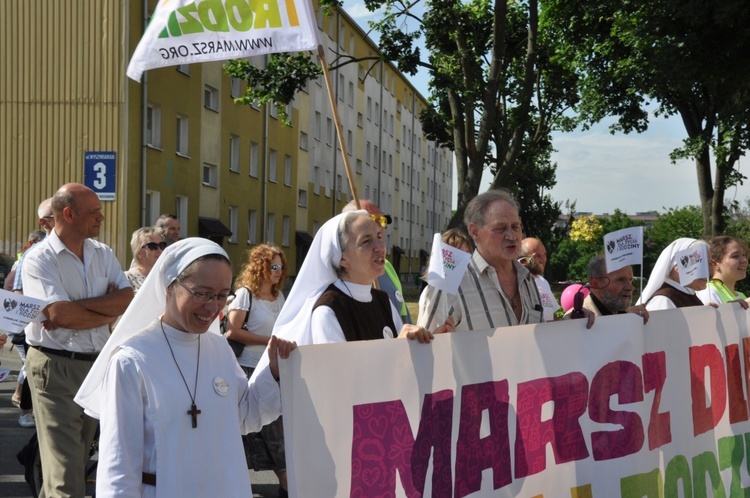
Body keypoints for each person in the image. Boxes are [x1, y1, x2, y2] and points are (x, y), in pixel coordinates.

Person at [75, 238, 296, 497]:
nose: (213, 307)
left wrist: (275, 372)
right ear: (170, 287)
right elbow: (118, 462)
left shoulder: (219, 349)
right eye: (202, 293)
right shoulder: (132, 360)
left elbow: (245, 415)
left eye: (222, 295)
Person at [22, 183, 134, 497]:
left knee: (73, 462)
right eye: (94, 212)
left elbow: (126, 299)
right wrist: (104, 310)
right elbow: (61, 316)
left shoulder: (103, 253)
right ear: (68, 214)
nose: (101, 218)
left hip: (96, 366)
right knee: (66, 475)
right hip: (54, 367)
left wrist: (77, 308)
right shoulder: (38, 260)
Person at [418, 189, 595, 332]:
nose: (511, 236)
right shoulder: (449, 284)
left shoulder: (528, 280)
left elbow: (536, 337)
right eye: (500, 228)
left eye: (515, 227)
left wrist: (573, 324)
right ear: (475, 232)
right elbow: (425, 351)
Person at [225, 244, 288, 496]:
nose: (278, 271)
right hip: (248, 367)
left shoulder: (279, 296)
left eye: (281, 267)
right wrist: (269, 341)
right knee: (257, 429)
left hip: (274, 368)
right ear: (261, 267)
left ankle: (285, 482)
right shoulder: (245, 294)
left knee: (277, 427)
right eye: (273, 266)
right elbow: (232, 331)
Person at [342, 199, 412, 324]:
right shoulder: (337, 277)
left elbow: (404, 321)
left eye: (381, 221)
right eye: (372, 219)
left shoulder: (387, 267)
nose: (378, 226)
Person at [6, 230, 46, 428]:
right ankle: (25, 408)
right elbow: (12, 289)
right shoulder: (27, 259)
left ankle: (21, 397)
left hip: (36, 324)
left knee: (29, 366)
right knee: (29, 366)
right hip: (27, 326)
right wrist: (13, 321)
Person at [565, 254, 649, 322]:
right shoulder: (576, 319)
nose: (631, 287)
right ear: (595, 284)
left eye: (630, 280)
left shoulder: (630, 315)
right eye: (620, 280)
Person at [638, 238, 713, 311]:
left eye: (710, 264)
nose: (709, 271)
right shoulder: (663, 301)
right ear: (678, 266)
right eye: (702, 263)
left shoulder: (688, 295)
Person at [697, 236, 750, 308]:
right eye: (735, 256)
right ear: (714, 264)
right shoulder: (708, 291)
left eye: (744, 255)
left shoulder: (741, 295)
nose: (744, 260)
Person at [520, 237, 560, 321]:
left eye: (544, 254)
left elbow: (552, 317)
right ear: (524, 260)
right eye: (537, 256)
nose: (543, 260)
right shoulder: (517, 283)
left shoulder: (543, 282)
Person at [125, 227, 166, 293]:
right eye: (152, 246)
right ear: (139, 253)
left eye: (162, 245)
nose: (159, 250)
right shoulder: (127, 278)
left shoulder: (170, 276)